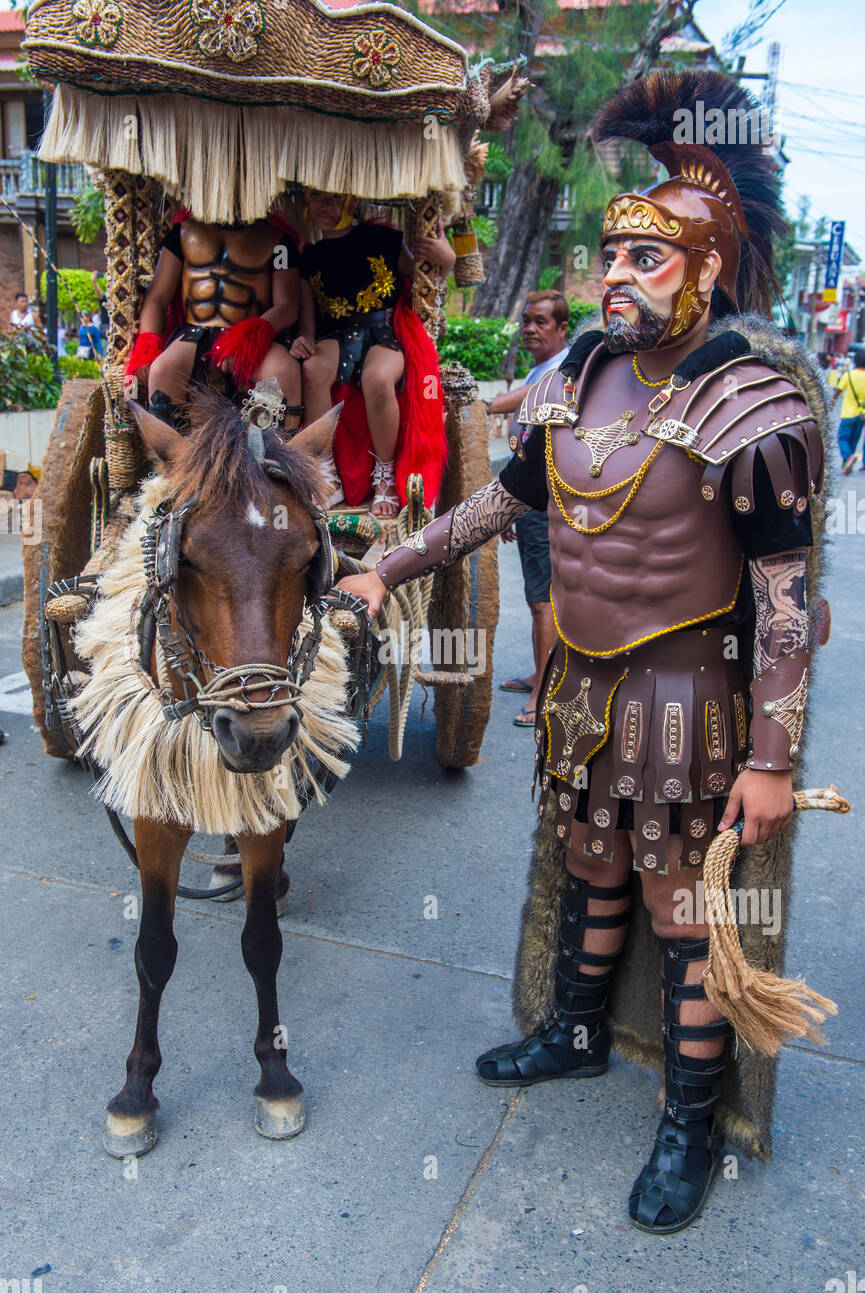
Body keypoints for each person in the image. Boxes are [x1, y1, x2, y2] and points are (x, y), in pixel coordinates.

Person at [339, 70, 826, 1234]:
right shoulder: (576, 379)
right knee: (593, 862)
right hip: (584, 691)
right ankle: (569, 1032)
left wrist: (770, 754)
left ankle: (690, 1125)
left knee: (677, 904)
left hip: (682, 694)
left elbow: (785, 599)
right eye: (608, 253)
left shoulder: (756, 409)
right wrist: (386, 568)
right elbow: (493, 510)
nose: (613, 275)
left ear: (705, 274)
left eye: (644, 259)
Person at [293, 190, 454, 514]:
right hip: (336, 335)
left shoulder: (383, 239)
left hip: (385, 331)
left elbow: (426, 284)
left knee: (378, 378)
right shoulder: (308, 256)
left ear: (352, 202)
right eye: (317, 198)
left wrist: (447, 260)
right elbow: (308, 319)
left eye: (334, 199)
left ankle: (384, 473)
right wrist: (303, 339)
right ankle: (326, 473)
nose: (324, 206)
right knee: (311, 369)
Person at [125, 209, 303, 432]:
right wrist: (147, 345)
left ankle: (278, 462)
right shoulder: (181, 233)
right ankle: (172, 464)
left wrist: (245, 339)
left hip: (253, 333)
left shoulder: (279, 242)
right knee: (162, 370)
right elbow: (157, 298)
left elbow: (286, 306)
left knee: (284, 371)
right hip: (196, 333)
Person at [486, 291, 570, 726]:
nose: (530, 329)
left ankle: (545, 694)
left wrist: (478, 406)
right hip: (535, 498)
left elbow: (516, 400)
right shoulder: (545, 366)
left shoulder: (561, 369)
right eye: (526, 321)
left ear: (562, 329)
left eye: (541, 321)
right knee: (541, 594)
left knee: (543, 600)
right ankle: (543, 672)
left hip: (549, 501)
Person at [833, 347, 865, 474]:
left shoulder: (849, 375)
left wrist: (832, 401)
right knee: (854, 439)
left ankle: (848, 457)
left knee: (842, 438)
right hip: (862, 414)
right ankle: (846, 464)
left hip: (848, 413)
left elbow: (838, 390)